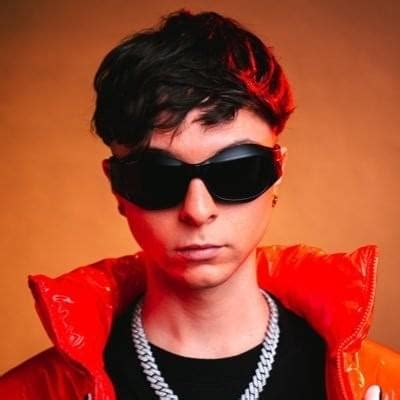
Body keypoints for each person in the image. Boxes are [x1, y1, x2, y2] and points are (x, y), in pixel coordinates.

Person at [0, 9, 398, 400]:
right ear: (116, 187)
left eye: (236, 171)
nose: (197, 210)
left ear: (277, 173)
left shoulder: (384, 383)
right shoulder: (29, 393)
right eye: (158, 178)